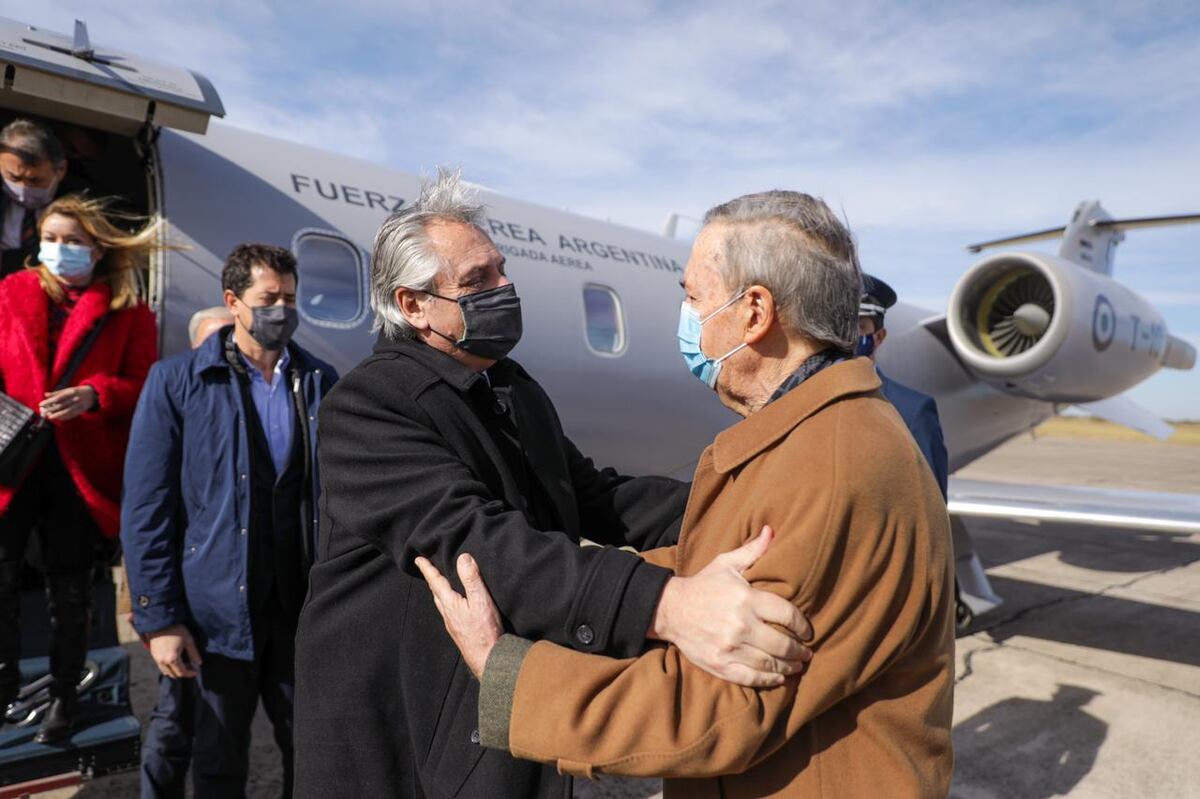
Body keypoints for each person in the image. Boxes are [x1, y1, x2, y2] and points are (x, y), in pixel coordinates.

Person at [293, 170, 813, 799]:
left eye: (501, 271)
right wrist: (667, 606)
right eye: (477, 281)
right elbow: (477, 545)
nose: (504, 288)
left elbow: (594, 498)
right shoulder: (370, 407)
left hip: (483, 723)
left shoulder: (509, 390)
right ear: (413, 305)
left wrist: (746, 504)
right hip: (403, 738)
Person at [419, 190, 956, 798]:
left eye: (693, 297)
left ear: (754, 312)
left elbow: (712, 710)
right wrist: (589, 595)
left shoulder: (831, 466)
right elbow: (710, 561)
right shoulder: (806, 435)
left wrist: (507, 673)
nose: (686, 315)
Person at [122, 244, 337, 798]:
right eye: (269, 298)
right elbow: (148, 509)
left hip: (298, 609)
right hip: (215, 615)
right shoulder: (177, 383)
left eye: (290, 298)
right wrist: (159, 620)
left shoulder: (320, 382)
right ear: (232, 301)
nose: (283, 309)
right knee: (218, 759)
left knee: (316, 752)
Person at [0, 195, 161, 743]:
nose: (58, 249)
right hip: (13, 458)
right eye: (51, 237)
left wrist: (95, 394)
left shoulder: (130, 311)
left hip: (78, 467)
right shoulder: (10, 293)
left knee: (69, 590)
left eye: (72, 240)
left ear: (97, 247)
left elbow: (142, 384)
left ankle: (66, 694)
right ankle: (5, 685)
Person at [134, 306, 235, 798]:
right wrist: (157, 616)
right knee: (175, 717)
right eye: (215, 341)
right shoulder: (173, 397)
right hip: (183, 601)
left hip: (229, 602)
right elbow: (148, 517)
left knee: (221, 732)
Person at [855, 273, 949, 498]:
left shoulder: (912, 411)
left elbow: (932, 508)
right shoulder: (807, 401)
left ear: (878, 337)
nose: (847, 337)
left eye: (859, 327)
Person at [0, 119, 70, 278]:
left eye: (35, 181)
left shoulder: (79, 204)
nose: (23, 189)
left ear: (61, 170)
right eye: (14, 178)